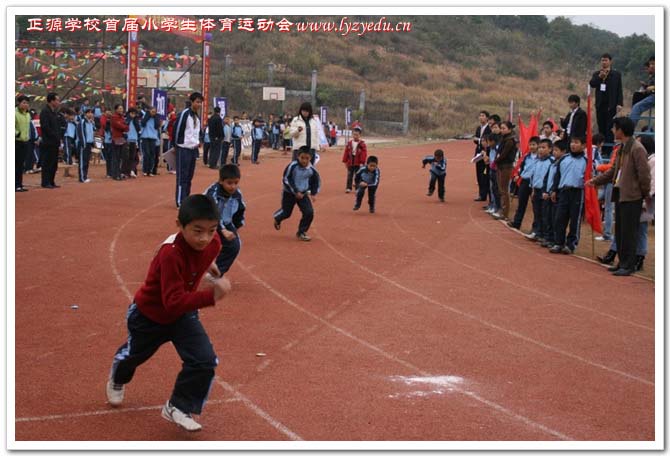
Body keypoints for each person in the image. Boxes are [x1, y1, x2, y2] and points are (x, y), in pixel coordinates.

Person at [106, 194, 231, 432]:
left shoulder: (214, 243)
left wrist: (210, 269)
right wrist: (212, 296)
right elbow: (172, 301)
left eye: (212, 230)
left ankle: (178, 406)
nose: (205, 238)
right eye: (197, 231)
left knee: (204, 360)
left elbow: (205, 256)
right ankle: (118, 377)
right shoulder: (170, 254)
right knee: (134, 356)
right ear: (179, 225)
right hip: (149, 316)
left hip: (184, 315)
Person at [587, 117, 651, 276]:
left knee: (630, 232)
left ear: (621, 130)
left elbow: (644, 175)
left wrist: (643, 195)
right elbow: (612, 171)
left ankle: (628, 265)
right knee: (621, 231)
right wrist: (595, 181)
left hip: (632, 196)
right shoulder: (622, 148)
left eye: (614, 128)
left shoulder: (637, 149)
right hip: (621, 195)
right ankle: (622, 262)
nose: (612, 131)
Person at [204, 164, 246, 276]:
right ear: (221, 181)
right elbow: (213, 213)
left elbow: (240, 210)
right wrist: (222, 230)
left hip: (225, 222)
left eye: (236, 183)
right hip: (206, 221)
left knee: (234, 246)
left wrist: (236, 227)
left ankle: (216, 273)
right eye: (229, 183)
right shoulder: (213, 193)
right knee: (202, 245)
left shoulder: (237, 194)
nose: (233, 186)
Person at [273, 146, 321, 242]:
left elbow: (316, 181)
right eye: (302, 158)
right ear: (298, 156)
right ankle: (277, 218)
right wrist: (295, 191)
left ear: (310, 158)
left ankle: (301, 232)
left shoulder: (312, 170)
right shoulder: (292, 166)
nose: (304, 161)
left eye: (307, 158)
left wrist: (313, 193)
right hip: (289, 193)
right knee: (286, 213)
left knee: (309, 212)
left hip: (303, 194)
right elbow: (286, 179)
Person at [549, 137, 587, 254]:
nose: (573, 145)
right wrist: (554, 190)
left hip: (577, 191)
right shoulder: (564, 159)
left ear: (583, 145)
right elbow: (557, 176)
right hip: (563, 191)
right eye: (572, 142)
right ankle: (558, 242)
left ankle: (571, 244)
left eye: (576, 142)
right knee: (559, 218)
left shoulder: (587, 161)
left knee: (575, 219)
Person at [174, 92, 204, 208]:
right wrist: (177, 145)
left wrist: (199, 141)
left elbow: (198, 132)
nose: (199, 104)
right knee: (182, 175)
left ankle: (186, 198)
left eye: (200, 102)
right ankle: (180, 201)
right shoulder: (184, 114)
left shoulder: (196, 116)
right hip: (183, 148)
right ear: (191, 102)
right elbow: (178, 129)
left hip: (193, 149)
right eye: (197, 102)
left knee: (190, 176)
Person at [589, 53, 623, 154]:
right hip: (600, 105)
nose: (604, 62)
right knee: (601, 127)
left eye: (606, 60)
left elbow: (619, 89)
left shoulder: (616, 74)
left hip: (611, 105)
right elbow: (592, 84)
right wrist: (600, 77)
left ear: (610, 61)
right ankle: (603, 149)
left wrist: (619, 103)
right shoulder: (597, 74)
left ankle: (609, 150)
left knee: (610, 127)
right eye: (602, 60)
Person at [540, 141, 567, 248]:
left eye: (557, 150)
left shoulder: (561, 164)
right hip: (548, 194)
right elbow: (547, 178)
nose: (554, 153)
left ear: (564, 152)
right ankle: (548, 237)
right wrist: (545, 191)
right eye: (554, 150)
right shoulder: (552, 163)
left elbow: (557, 180)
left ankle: (556, 239)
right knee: (548, 217)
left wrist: (552, 191)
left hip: (556, 195)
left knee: (555, 218)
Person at [508, 137, 539, 230]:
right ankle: (517, 222)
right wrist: (518, 175)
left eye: (534, 145)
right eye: (530, 145)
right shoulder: (526, 156)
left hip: (534, 182)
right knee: (521, 203)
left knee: (536, 206)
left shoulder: (540, 158)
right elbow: (522, 167)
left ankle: (535, 228)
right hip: (525, 181)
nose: (532, 147)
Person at [526, 139, 554, 241]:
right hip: (536, 190)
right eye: (540, 148)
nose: (540, 150)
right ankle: (537, 232)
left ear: (550, 149)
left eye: (543, 148)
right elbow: (534, 176)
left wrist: (548, 191)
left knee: (545, 214)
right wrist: (533, 189)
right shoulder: (537, 161)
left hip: (545, 191)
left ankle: (544, 234)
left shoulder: (552, 162)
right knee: (537, 212)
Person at [492, 121, 516, 220]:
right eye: (501, 128)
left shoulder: (510, 141)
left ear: (509, 129)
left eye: (504, 128)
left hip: (506, 166)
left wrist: (495, 161)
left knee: (504, 190)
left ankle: (505, 213)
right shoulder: (503, 139)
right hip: (501, 166)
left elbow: (504, 154)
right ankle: (502, 210)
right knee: (501, 189)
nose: (502, 130)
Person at [39, 92, 62, 189]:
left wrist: (58, 137)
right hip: (48, 142)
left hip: (55, 142)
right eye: (57, 100)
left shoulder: (54, 112)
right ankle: (45, 182)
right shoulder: (45, 112)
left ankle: (51, 181)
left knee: (54, 163)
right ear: (51, 101)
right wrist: (54, 136)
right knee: (47, 162)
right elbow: (45, 127)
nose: (58, 102)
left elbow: (57, 127)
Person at [630, 56, 655, 129]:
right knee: (636, 96)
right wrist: (647, 86)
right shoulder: (653, 75)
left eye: (653, 64)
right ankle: (633, 116)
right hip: (652, 95)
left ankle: (629, 130)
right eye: (650, 64)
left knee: (637, 107)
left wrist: (653, 87)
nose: (651, 66)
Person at [341, 126, 367, 193]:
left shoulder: (362, 144)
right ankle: (348, 188)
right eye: (354, 134)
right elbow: (346, 152)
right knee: (349, 175)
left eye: (357, 135)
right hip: (350, 162)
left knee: (357, 176)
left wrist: (362, 162)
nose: (355, 136)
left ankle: (357, 188)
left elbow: (364, 153)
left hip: (358, 163)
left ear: (360, 135)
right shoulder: (349, 143)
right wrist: (345, 161)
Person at [473, 111, 491, 202]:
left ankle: (485, 194)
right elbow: (475, 140)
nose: (481, 117)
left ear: (487, 118)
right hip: (478, 153)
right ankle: (481, 194)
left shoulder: (489, 128)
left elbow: (487, 140)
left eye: (483, 116)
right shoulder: (478, 128)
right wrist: (479, 140)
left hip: (486, 153)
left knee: (485, 175)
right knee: (479, 174)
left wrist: (479, 140)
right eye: (479, 116)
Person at [15, 95, 32, 192]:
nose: (25, 105)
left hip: (25, 142)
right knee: (15, 164)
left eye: (27, 103)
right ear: (19, 103)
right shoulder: (14, 113)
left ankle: (19, 184)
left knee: (21, 164)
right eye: (24, 103)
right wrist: (18, 134)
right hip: (16, 141)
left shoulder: (27, 114)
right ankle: (15, 184)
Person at [76, 108, 96, 183]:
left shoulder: (91, 122)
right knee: (82, 161)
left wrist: (92, 143)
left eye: (91, 113)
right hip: (83, 144)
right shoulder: (82, 122)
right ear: (85, 114)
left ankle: (85, 175)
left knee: (87, 161)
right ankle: (81, 177)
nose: (90, 114)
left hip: (89, 143)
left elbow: (94, 130)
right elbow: (81, 133)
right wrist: (83, 143)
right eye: (88, 113)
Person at [141, 106, 161, 177]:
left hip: (153, 137)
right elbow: (142, 124)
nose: (153, 113)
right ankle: (145, 170)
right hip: (145, 137)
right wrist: (147, 117)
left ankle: (150, 170)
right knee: (147, 154)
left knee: (152, 154)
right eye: (152, 112)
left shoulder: (156, 119)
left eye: (154, 112)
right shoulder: (145, 117)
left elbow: (157, 126)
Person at [110, 104, 129, 181]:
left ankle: (119, 173)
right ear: (116, 109)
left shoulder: (122, 118)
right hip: (116, 138)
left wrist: (124, 127)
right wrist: (124, 126)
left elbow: (127, 128)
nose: (121, 110)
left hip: (121, 138)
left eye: (122, 108)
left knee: (121, 157)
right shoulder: (114, 117)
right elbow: (120, 126)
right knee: (116, 157)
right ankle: (115, 174)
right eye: (120, 108)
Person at [124, 107, 141, 178]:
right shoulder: (126, 120)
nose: (133, 115)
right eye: (132, 113)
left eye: (134, 114)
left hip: (134, 140)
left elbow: (138, 129)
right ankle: (127, 171)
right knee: (127, 157)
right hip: (127, 140)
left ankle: (131, 170)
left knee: (133, 157)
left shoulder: (136, 121)